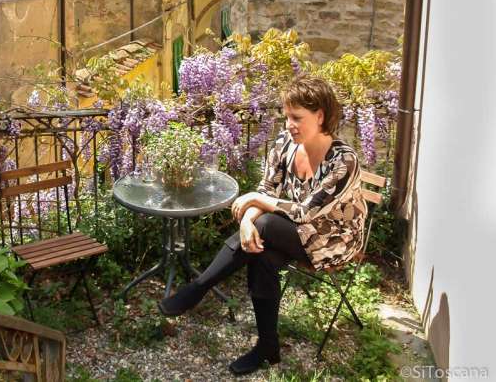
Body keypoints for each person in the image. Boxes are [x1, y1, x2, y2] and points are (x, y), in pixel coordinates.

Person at [158, 75, 368, 375]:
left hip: (332, 239)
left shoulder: (343, 160)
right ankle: (268, 346)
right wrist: (245, 223)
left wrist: (256, 204)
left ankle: (199, 287)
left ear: (320, 116)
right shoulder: (285, 144)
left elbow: (305, 212)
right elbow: (267, 191)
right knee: (261, 252)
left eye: (297, 118)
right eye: (287, 117)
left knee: (266, 224)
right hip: (294, 230)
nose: (289, 125)